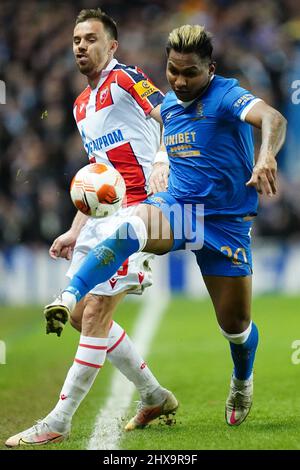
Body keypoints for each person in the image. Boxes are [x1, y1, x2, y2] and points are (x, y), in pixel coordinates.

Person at [37, 24, 287, 430]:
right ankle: (68, 295)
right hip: (178, 211)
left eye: (190, 73)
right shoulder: (170, 106)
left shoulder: (225, 95)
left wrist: (265, 158)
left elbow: (272, 117)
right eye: (173, 70)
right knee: (133, 224)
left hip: (224, 223)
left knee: (236, 327)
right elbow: (149, 143)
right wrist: (159, 161)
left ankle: (242, 379)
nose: (179, 81)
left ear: (210, 68)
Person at [5, 9, 178, 448]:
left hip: (139, 213)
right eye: (76, 39)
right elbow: (98, 180)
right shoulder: (82, 106)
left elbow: (170, 112)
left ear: (111, 46)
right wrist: (73, 228)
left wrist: (161, 161)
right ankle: (155, 396)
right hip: (102, 221)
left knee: (97, 313)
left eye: (91, 38)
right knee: (83, 317)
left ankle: (59, 419)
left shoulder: (127, 79)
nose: (81, 45)